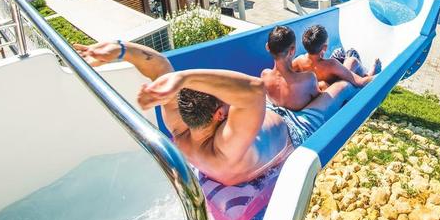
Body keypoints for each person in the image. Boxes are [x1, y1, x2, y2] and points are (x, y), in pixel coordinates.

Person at [75, 40, 355, 186]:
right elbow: (255, 90)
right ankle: (353, 66)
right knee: (339, 89)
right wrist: (185, 78)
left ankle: (336, 66)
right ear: (220, 113)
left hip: (271, 115)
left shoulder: (180, 130)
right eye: (225, 101)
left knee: (315, 85)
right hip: (296, 129)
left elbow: (159, 65)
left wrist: (123, 50)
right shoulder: (227, 147)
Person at [293, 24, 381, 89]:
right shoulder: (331, 65)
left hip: (329, 80)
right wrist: (383, 75)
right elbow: (360, 82)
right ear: (325, 47)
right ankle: (369, 73)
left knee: (338, 52)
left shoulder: (298, 61)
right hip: (339, 83)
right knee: (352, 58)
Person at [260, 25, 320, 111]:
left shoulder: (264, 75)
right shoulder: (309, 79)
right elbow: (320, 100)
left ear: (267, 47)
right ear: (292, 50)